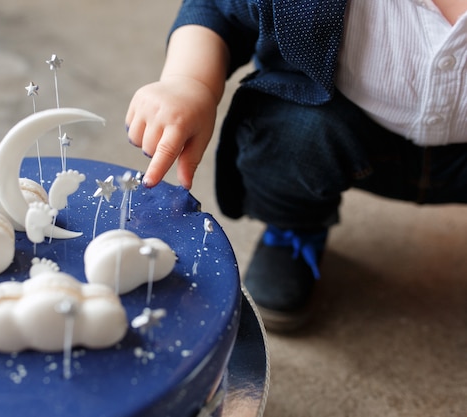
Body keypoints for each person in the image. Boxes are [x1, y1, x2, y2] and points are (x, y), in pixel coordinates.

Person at [125, 0, 467, 332]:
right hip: (344, 128)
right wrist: (189, 82)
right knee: (286, 131)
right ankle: (293, 226)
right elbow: (218, 9)